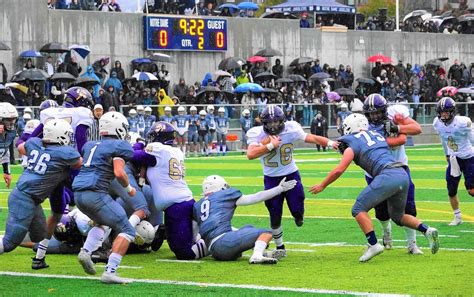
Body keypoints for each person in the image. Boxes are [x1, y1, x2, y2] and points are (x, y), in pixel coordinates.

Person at [309, 113, 440, 262]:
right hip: (402, 173)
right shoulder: (377, 135)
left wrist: (322, 185)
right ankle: (427, 230)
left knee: (358, 209)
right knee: (398, 216)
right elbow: (400, 140)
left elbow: (340, 169)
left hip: (387, 174)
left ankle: (373, 244)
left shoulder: (352, 142)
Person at [246, 105, 338, 254]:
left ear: (282, 121)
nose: (273, 125)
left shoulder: (291, 128)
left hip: (290, 173)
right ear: (263, 123)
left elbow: (311, 137)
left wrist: (330, 143)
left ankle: (298, 216)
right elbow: (250, 154)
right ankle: (280, 246)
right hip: (271, 178)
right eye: (269, 123)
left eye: (276, 122)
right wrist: (270, 145)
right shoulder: (256, 133)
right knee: (274, 214)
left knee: (297, 206)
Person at [0, 119, 81, 269]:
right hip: (24, 198)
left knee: (39, 235)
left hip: (30, 198)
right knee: (10, 243)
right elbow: (80, 164)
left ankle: (38, 258)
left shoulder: (35, 143)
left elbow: (22, 147)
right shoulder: (65, 153)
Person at [73, 111, 135, 284]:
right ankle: (110, 272)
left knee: (105, 222)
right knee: (127, 230)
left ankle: (86, 252)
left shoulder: (90, 144)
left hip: (78, 194)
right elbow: (119, 172)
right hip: (95, 193)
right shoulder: (120, 146)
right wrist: (129, 189)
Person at [363, 94, 424, 254]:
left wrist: (399, 126)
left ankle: (412, 244)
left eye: (377, 112)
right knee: (381, 210)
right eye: (371, 113)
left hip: (399, 167)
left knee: (408, 207)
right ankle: (386, 232)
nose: (374, 116)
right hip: (376, 171)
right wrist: (400, 130)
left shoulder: (395, 112)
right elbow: (398, 141)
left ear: (384, 110)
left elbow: (417, 128)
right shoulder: (364, 126)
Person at [194, 175, 297, 263]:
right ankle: (257, 255)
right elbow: (256, 197)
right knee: (267, 232)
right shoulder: (224, 195)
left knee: (248, 227)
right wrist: (279, 189)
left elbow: (197, 232)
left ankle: (262, 252)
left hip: (212, 249)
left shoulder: (198, 205)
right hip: (224, 244)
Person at [145, 122, 207, 260]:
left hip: (178, 205)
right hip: (180, 202)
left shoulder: (158, 149)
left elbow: (135, 155)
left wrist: (136, 144)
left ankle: (214, 242)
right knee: (177, 245)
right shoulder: (175, 151)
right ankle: (168, 231)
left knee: (184, 252)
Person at [433, 97, 473, 226]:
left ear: (452, 112)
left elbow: (473, 139)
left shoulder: (462, 122)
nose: (443, 114)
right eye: (441, 112)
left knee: (471, 190)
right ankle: (457, 217)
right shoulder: (437, 123)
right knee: (451, 189)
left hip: (468, 157)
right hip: (453, 158)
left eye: (446, 112)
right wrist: (446, 154)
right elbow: (444, 140)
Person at [0, 103, 19, 189]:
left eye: (13, 120)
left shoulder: (10, 133)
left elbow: (5, 150)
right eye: (8, 120)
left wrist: (6, 171)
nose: (11, 123)